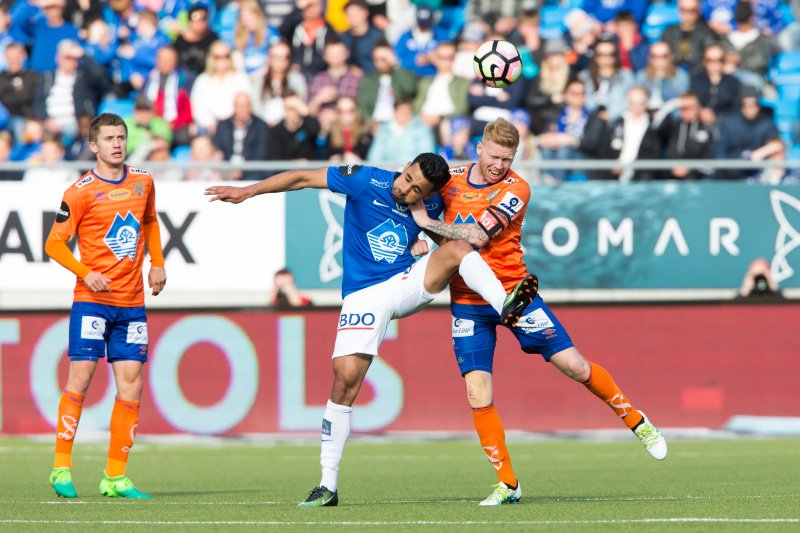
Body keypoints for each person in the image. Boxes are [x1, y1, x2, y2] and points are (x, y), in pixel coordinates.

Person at [205, 152, 538, 507]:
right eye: (408, 179)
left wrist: (424, 239)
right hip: (364, 295)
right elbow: (301, 178)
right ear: (405, 166)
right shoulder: (365, 179)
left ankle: (504, 305)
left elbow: (455, 234)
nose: (406, 190)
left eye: (416, 190)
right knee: (345, 380)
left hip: (405, 282)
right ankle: (327, 486)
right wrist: (248, 191)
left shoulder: (432, 203)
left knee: (458, 248)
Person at [409, 118, 667, 506]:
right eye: (495, 156)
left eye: (508, 158)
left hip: (515, 294)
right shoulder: (451, 177)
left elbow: (478, 235)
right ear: (479, 147)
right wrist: (417, 232)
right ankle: (508, 484)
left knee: (576, 367)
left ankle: (635, 420)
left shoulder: (517, 188)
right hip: (467, 301)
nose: (500, 165)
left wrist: (427, 224)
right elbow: (415, 200)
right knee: (477, 394)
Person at [45, 112, 167, 499]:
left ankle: (115, 476)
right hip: (92, 301)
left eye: (121, 137)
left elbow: (149, 222)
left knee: (131, 386)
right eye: (109, 138)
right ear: (94, 146)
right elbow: (53, 244)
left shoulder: (143, 180)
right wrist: (85, 271)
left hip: (132, 303)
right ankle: (61, 467)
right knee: (80, 379)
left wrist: (158, 263)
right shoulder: (79, 191)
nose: (117, 143)